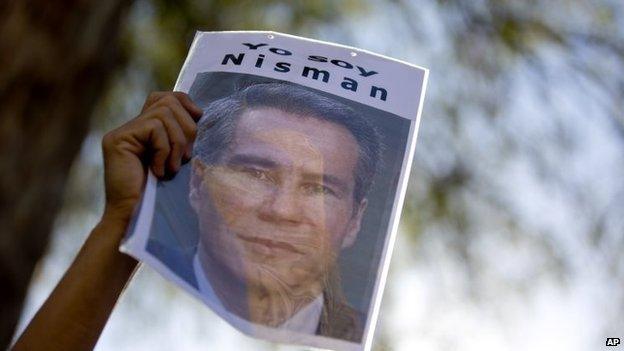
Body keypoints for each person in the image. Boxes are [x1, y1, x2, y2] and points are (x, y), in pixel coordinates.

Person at [145, 83, 382, 342]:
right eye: (256, 174)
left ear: (355, 221)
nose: (282, 210)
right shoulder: (128, 278)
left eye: (319, 189)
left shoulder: (385, 341)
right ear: (198, 183)